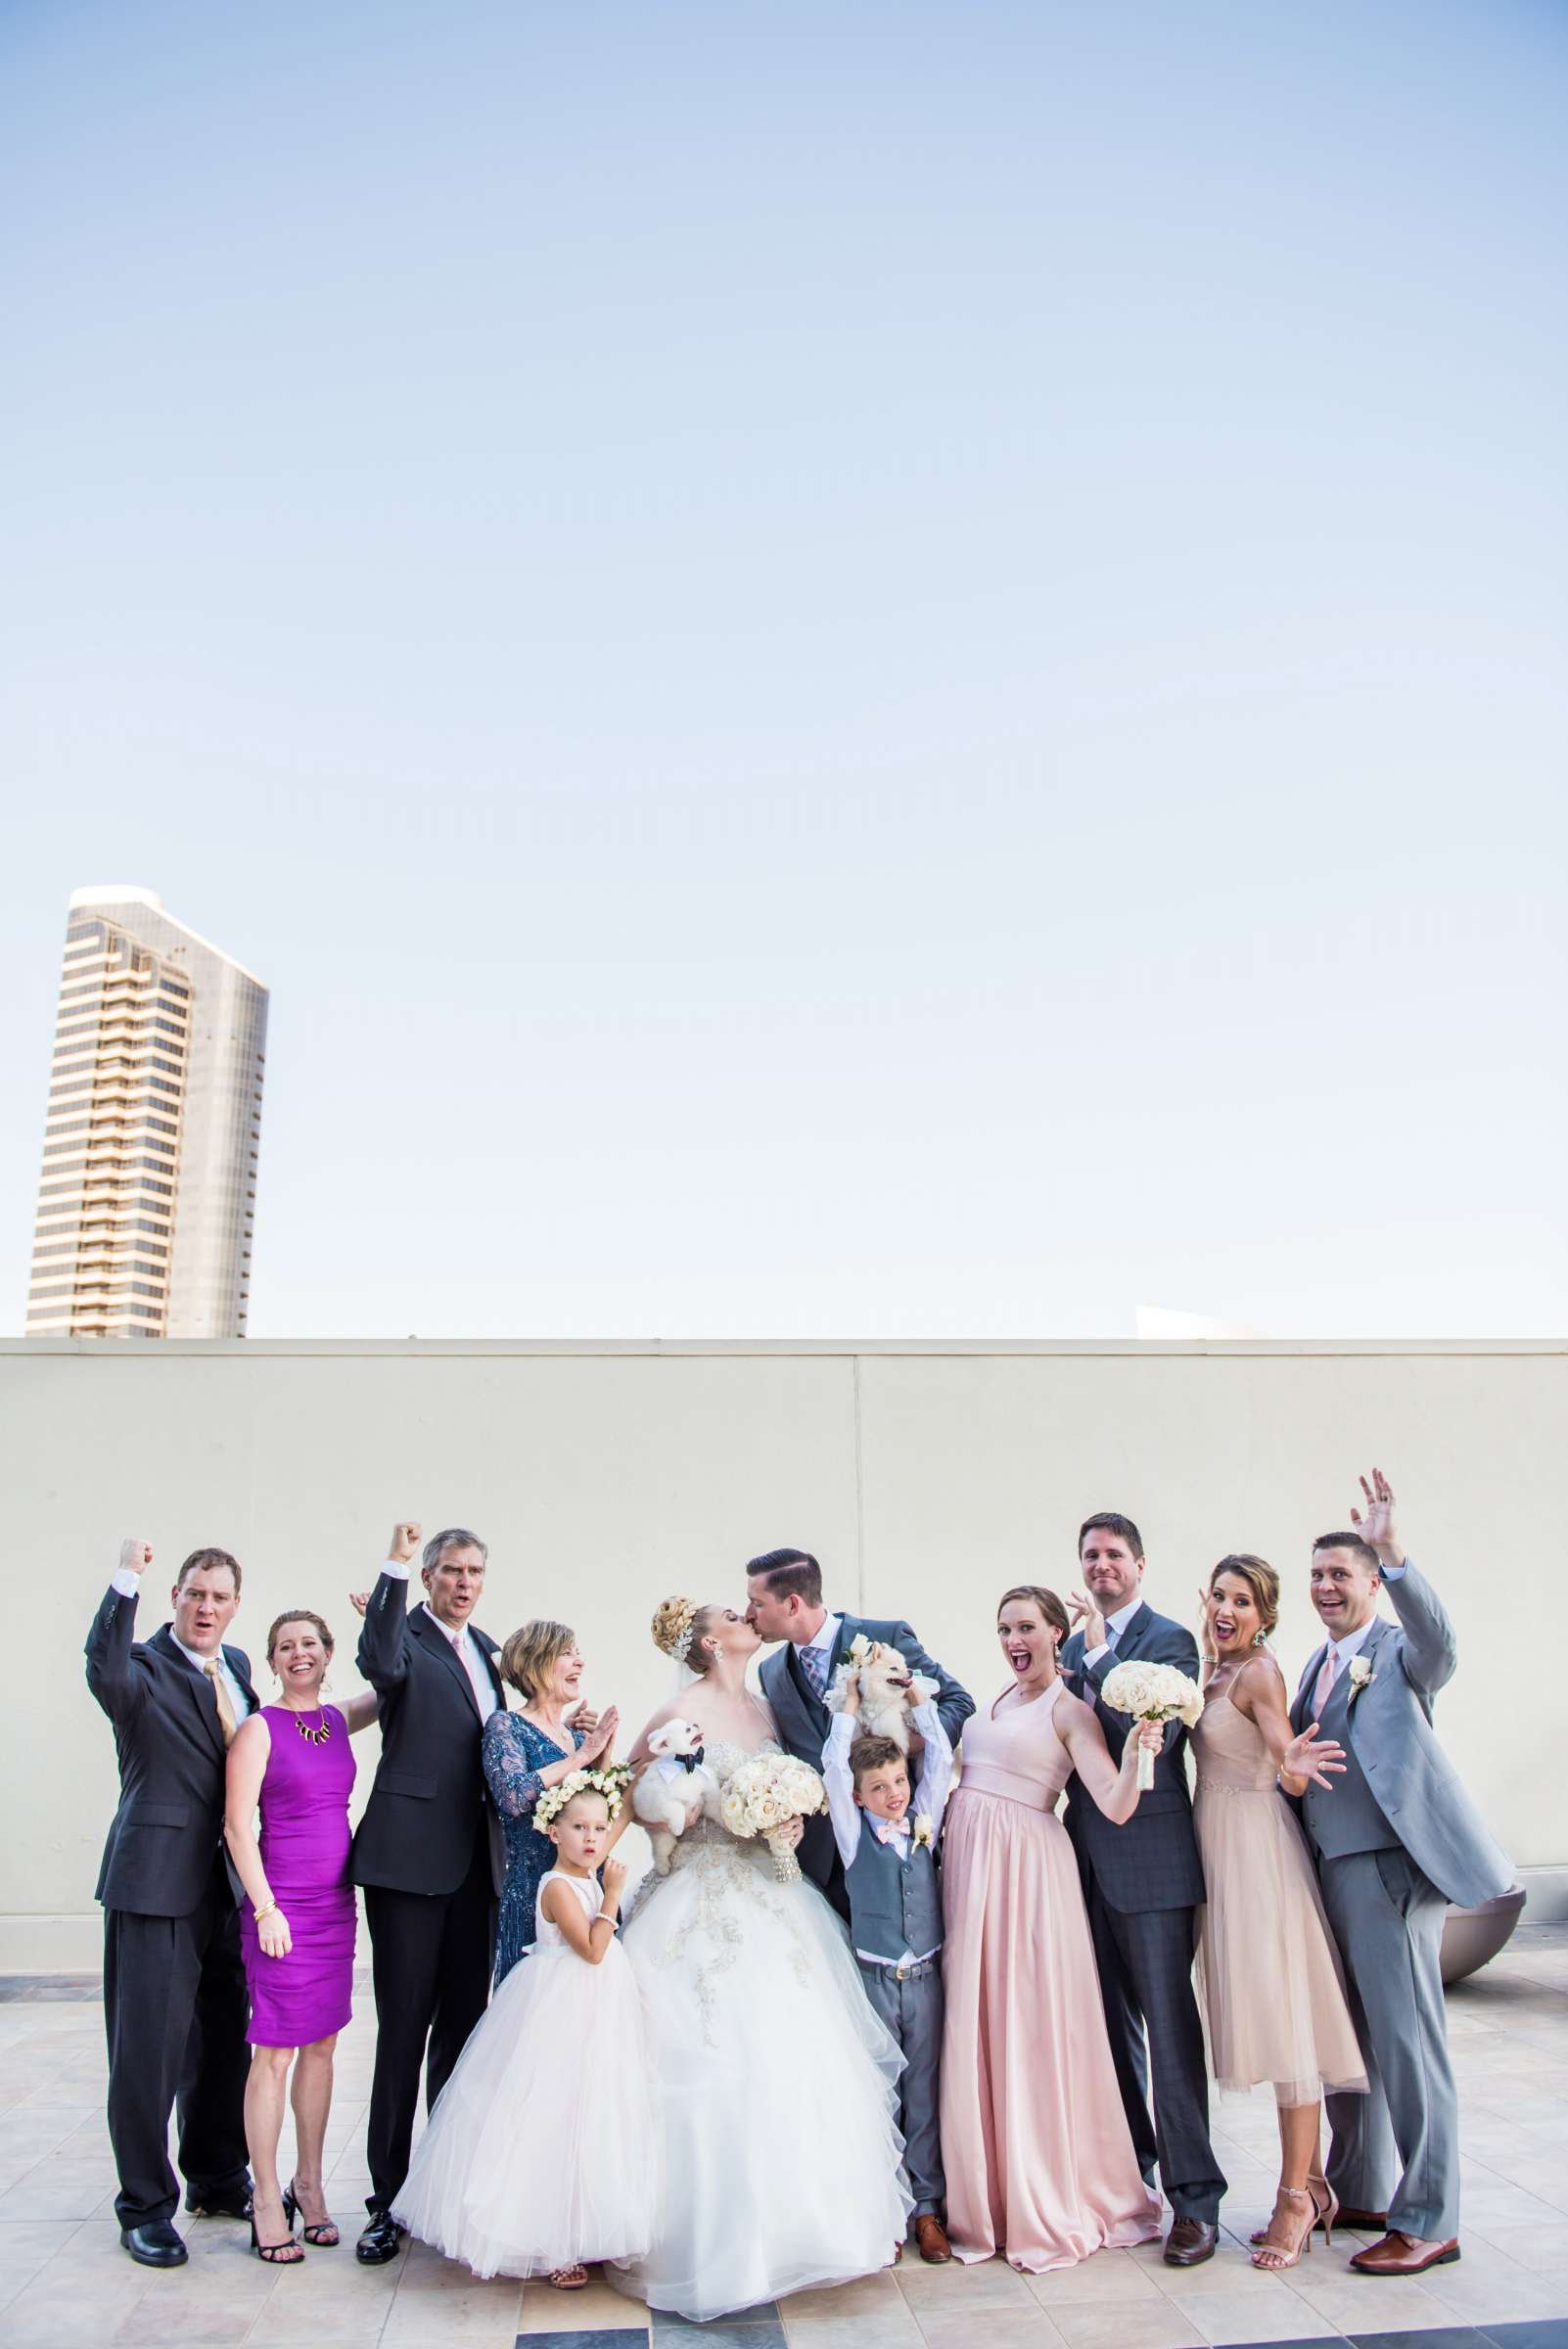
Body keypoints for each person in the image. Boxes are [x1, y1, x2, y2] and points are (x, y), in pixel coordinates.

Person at [610, 1596, 912, 2322]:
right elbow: (633, 1792)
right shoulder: (677, 1708)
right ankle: (705, 2241)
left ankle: (807, 2229)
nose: (750, 1620)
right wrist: (684, 1810)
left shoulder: (768, 1705)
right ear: (711, 1643)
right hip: (700, 1887)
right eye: (734, 1617)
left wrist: (783, 1813)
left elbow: (794, 1778)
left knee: (792, 2049)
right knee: (708, 2052)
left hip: (772, 1885)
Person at [1290, 1470, 1513, 2279]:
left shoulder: (1397, 1652)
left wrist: (1395, 1553)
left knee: (1410, 2045)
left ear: (1371, 1585)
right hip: (1331, 1875)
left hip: (1388, 1873)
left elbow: (1443, 1646)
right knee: (1357, 2045)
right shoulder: (1315, 1664)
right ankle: (1361, 2191)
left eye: (1341, 1574)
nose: (1325, 1587)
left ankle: (1430, 2219)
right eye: (1316, 1574)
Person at [941, 1585, 1165, 2271]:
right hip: (970, 1873)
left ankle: (1040, 2188)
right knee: (976, 2022)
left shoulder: (1071, 1710)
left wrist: (1141, 1754)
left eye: (1028, 1627)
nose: (1015, 1640)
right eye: (1005, 1627)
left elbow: (1116, 1804)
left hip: (1025, 1877)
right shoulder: (998, 1700)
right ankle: (986, 2191)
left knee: (1026, 2024)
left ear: (1057, 1633)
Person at [392, 1774, 656, 2290]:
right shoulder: (558, 1886)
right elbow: (592, 1948)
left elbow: (617, 1815)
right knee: (553, 2118)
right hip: (562, 2011)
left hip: (598, 2013)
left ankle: (590, 2227)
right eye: (579, 1827)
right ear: (553, 1832)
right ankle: (555, 2241)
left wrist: (631, 1778)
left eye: (599, 1829)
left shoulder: (586, 1875)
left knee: (595, 2111)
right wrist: (614, 1895)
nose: (592, 1838)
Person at [1188, 1556, 1367, 2270]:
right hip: (1217, 1846)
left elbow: (1286, 1763)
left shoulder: (1259, 1673)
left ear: (1265, 1616)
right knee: (1262, 2020)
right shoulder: (1212, 1671)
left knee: (1287, 2024)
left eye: (1242, 1601)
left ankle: (1297, 2195)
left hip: (1256, 1853)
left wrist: (1291, 1759)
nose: (1227, 1610)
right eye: (1220, 1597)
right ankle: (1313, 2180)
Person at [1059, 1511, 1227, 2266]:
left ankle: (1197, 2204)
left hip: (1154, 1863)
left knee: (1167, 2030)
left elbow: (1153, 1736)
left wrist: (1095, 1660)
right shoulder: (1069, 1645)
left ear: (1140, 1564)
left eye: (1114, 1555)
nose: (1101, 1566)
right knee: (1108, 2030)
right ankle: (1135, 2174)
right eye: (1090, 1555)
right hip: (1082, 1859)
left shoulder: (1170, 1643)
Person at [85, 1538, 257, 2269]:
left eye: (219, 1597)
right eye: (195, 1594)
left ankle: (216, 2178)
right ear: (175, 1598)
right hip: (155, 1883)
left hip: (227, 1885)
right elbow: (100, 1665)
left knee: (223, 2042)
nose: (206, 1607)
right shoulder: (138, 1669)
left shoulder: (240, 1667)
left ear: (234, 1605)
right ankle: (144, 2208)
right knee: (148, 2052)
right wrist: (125, 1578)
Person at [348, 1519, 508, 2264]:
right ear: (431, 1576)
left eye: (474, 1571)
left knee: (464, 2032)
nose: (464, 1583)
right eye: (450, 1571)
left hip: (479, 1869)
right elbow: (377, 1660)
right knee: (403, 2034)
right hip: (409, 1867)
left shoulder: (487, 1650)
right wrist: (395, 1567)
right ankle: (386, 2200)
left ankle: (438, 2189)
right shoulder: (403, 1636)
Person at [223, 1610, 381, 2263]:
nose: (299, 1654)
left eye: (309, 1644)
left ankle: (309, 2185)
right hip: (280, 1908)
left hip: (334, 1907)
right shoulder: (260, 1730)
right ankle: (265, 2195)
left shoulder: (340, 1719)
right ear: (272, 1660)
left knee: (320, 2046)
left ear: (328, 1652)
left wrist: (388, 1623)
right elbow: (236, 1827)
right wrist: (265, 1910)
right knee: (275, 2053)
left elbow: (401, 1680)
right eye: (286, 1646)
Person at [746, 1547, 974, 1916]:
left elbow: (958, 1703)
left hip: (896, 1840)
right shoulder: (770, 1672)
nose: (748, 1615)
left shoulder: (884, 1636)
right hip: (821, 1859)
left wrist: (905, 1745)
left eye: (756, 1603)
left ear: (791, 1604)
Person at [822, 1666, 954, 2264]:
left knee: (922, 2095)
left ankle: (927, 2209)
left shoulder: (925, 1823)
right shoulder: (854, 1836)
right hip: (875, 1980)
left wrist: (918, 1697)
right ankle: (884, 2210)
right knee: (880, 2096)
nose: (893, 1794)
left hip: (926, 1979)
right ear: (858, 1796)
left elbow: (943, 1763)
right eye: (879, 1787)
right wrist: (847, 1706)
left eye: (899, 1782)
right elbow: (831, 1766)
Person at [482, 1619, 619, 1984]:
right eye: (567, 1654)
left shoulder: (575, 1736)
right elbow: (511, 1795)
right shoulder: (506, 1726)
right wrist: (579, 1757)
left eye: (578, 1654)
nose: (580, 1663)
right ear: (536, 1664)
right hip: (532, 1890)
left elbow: (593, 1810)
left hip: (586, 1886)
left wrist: (600, 1757)